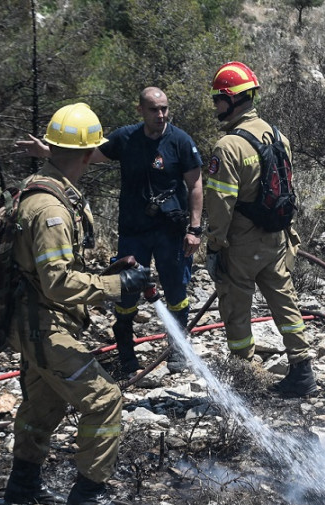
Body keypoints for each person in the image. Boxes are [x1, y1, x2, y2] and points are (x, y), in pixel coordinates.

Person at [4, 103, 153, 505]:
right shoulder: (51, 209)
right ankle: (89, 493)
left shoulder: (44, 189)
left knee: (44, 404)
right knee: (104, 399)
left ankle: (23, 486)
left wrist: (110, 273)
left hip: (36, 320)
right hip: (42, 325)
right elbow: (56, 282)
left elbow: (52, 271)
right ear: (88, 154)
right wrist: (116, 287)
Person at [17, 87, 204, 377]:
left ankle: (177, 349)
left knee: (176, 291)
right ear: (140, 110)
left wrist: (195, 229)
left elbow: (195, 185)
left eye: (164, 108)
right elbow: (84, 156)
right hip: (134, 230)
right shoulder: (125, 138)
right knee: (125, 291)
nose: (161, 115)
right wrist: (48, 151)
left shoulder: (181, 141)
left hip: (170, 231)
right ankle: (126, 352)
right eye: (154, 109)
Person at [203, 61, 317, 398]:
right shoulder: (278, 136)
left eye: (218, 99)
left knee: (236, 309)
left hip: (241, 244)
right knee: (284, 300)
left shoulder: (228, 147)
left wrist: (215, 245)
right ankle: (302, 370)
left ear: (232, 99)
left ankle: (245, 378)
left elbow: (220, 204)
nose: (215, 106)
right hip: (276, 238)